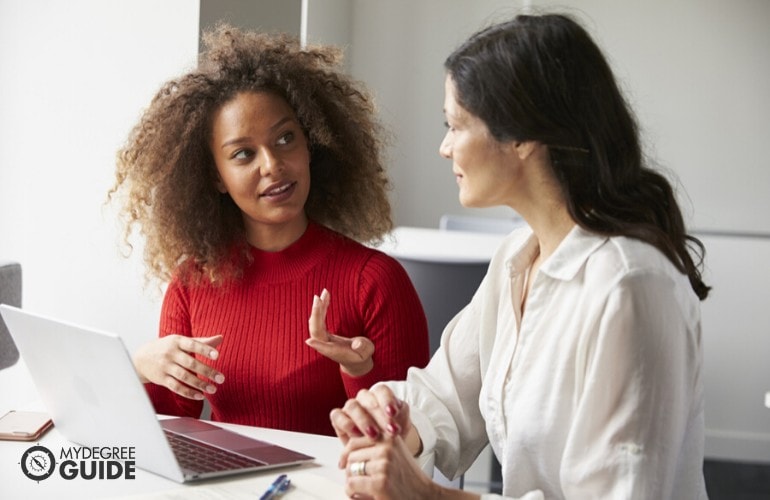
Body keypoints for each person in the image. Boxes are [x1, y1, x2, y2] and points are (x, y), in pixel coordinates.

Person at [330, 13, 710, 499]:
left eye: (455, 125)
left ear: (523, 137)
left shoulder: (630, 286)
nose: (444, 147)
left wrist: (428, 496)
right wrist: (393, 419)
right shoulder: (517, 257)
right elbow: (447, 394)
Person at [109, 25, 430, 436]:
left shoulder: (375, 282)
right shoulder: (191, 283)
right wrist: (140, 368)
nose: (272, 165)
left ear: (310, 145)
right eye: (243, 154)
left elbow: (406, 444)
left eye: (285, 139)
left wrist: (358, 370)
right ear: (216, 177)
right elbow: (170, 426)